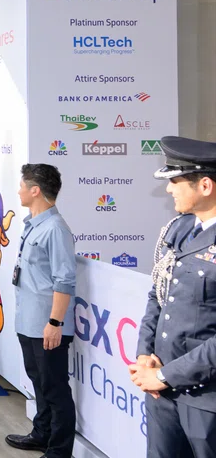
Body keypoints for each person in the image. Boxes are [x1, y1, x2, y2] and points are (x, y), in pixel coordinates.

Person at [132, 136, 216, 458]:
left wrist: (163, 376)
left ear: (205, 185)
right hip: (162, 392)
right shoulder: (177, 229)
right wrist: (145, 355)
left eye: (176, 181)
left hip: (206, 401)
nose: (169, 189)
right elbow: (158, 293)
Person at [5, 164, 76, 458]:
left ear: (35, 190)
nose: (19, 190)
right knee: (39, 382)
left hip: (47, 325)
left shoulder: (56, 229)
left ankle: (59, 450)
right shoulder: (33, 223)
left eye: (22, 185)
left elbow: (65, 280)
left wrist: (55, 322)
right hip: (29, 320)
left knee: (55, 389)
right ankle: (42, 433)